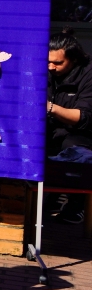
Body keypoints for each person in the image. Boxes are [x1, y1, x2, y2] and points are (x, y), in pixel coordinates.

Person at [46, 28, 92, 224]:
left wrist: (50, 108)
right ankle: (50, 196)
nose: (51, 67)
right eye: (48, 61)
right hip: (52, 129)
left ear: (73, 60)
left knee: (74, 149)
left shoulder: (88, 75)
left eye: (58, 63)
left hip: (82, 133)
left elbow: (84, 117)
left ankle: (77, 204)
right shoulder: (45, 71)